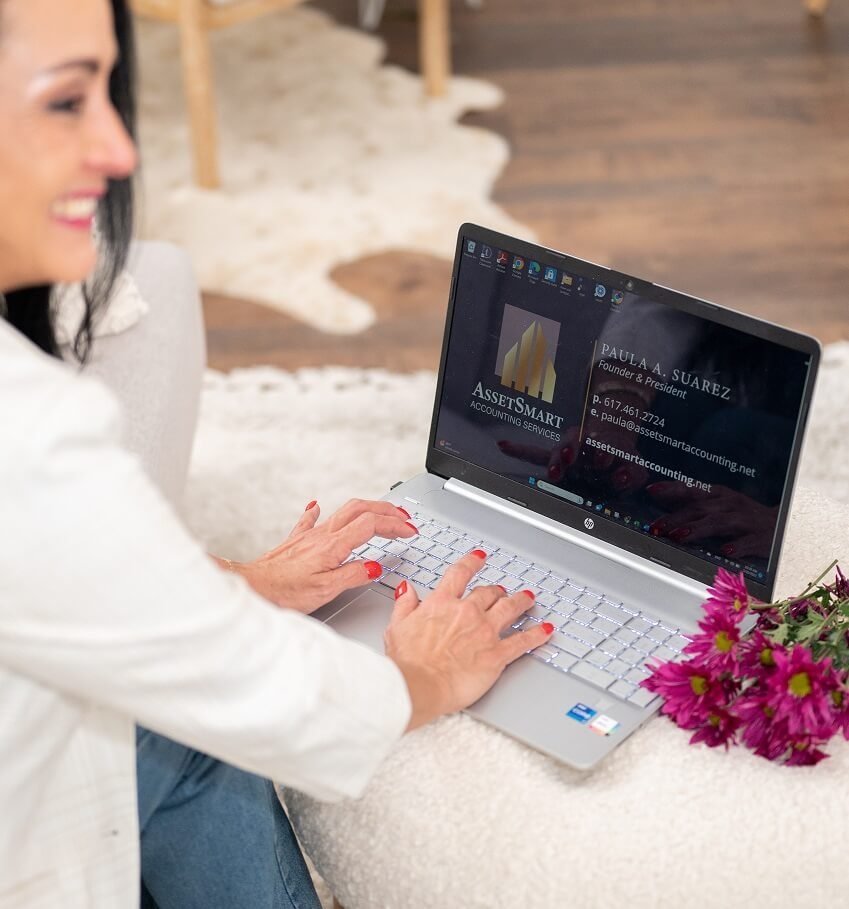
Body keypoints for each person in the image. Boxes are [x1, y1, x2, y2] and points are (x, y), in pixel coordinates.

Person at [0, 1, 554, 906]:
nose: (117, 148)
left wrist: (235, 587)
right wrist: (421, 672)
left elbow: (45, 581)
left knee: (175, 743)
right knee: (202, 734)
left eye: (108, 92)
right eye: (66, 101)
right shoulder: (29, 431)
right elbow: (276, 701)